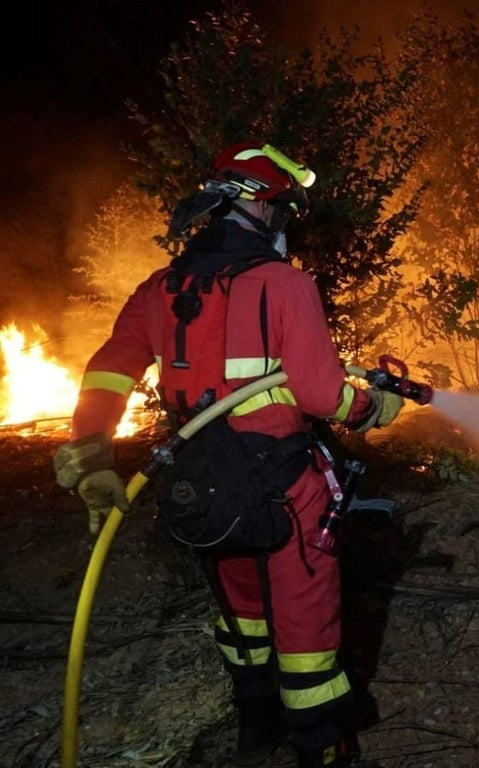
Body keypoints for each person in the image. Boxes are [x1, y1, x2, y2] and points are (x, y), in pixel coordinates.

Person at [52, 142, 404, 767]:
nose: (286, 225)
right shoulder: (284, 284)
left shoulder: (161, 287)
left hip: (201, 479)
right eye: (284, 211)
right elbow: (323, 393)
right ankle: (320, 746)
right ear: (262, 208)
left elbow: (110, 371)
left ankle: (254, 723)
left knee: (240, 609)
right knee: (304, 620)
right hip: (283, 484)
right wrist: (371, 409)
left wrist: (91, 454)